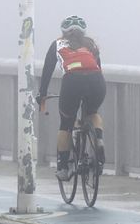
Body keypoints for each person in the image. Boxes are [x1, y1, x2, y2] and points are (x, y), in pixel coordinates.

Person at [36, 15, 106, 180]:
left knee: (66, 123)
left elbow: (47, 72)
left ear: (63, 32)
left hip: (73, 82)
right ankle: (99, 141)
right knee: (92, 112)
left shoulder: (57, 44)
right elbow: (99, 67)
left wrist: (42, 94)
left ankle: (63, 168)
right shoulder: (91, 44)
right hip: (97, 81)